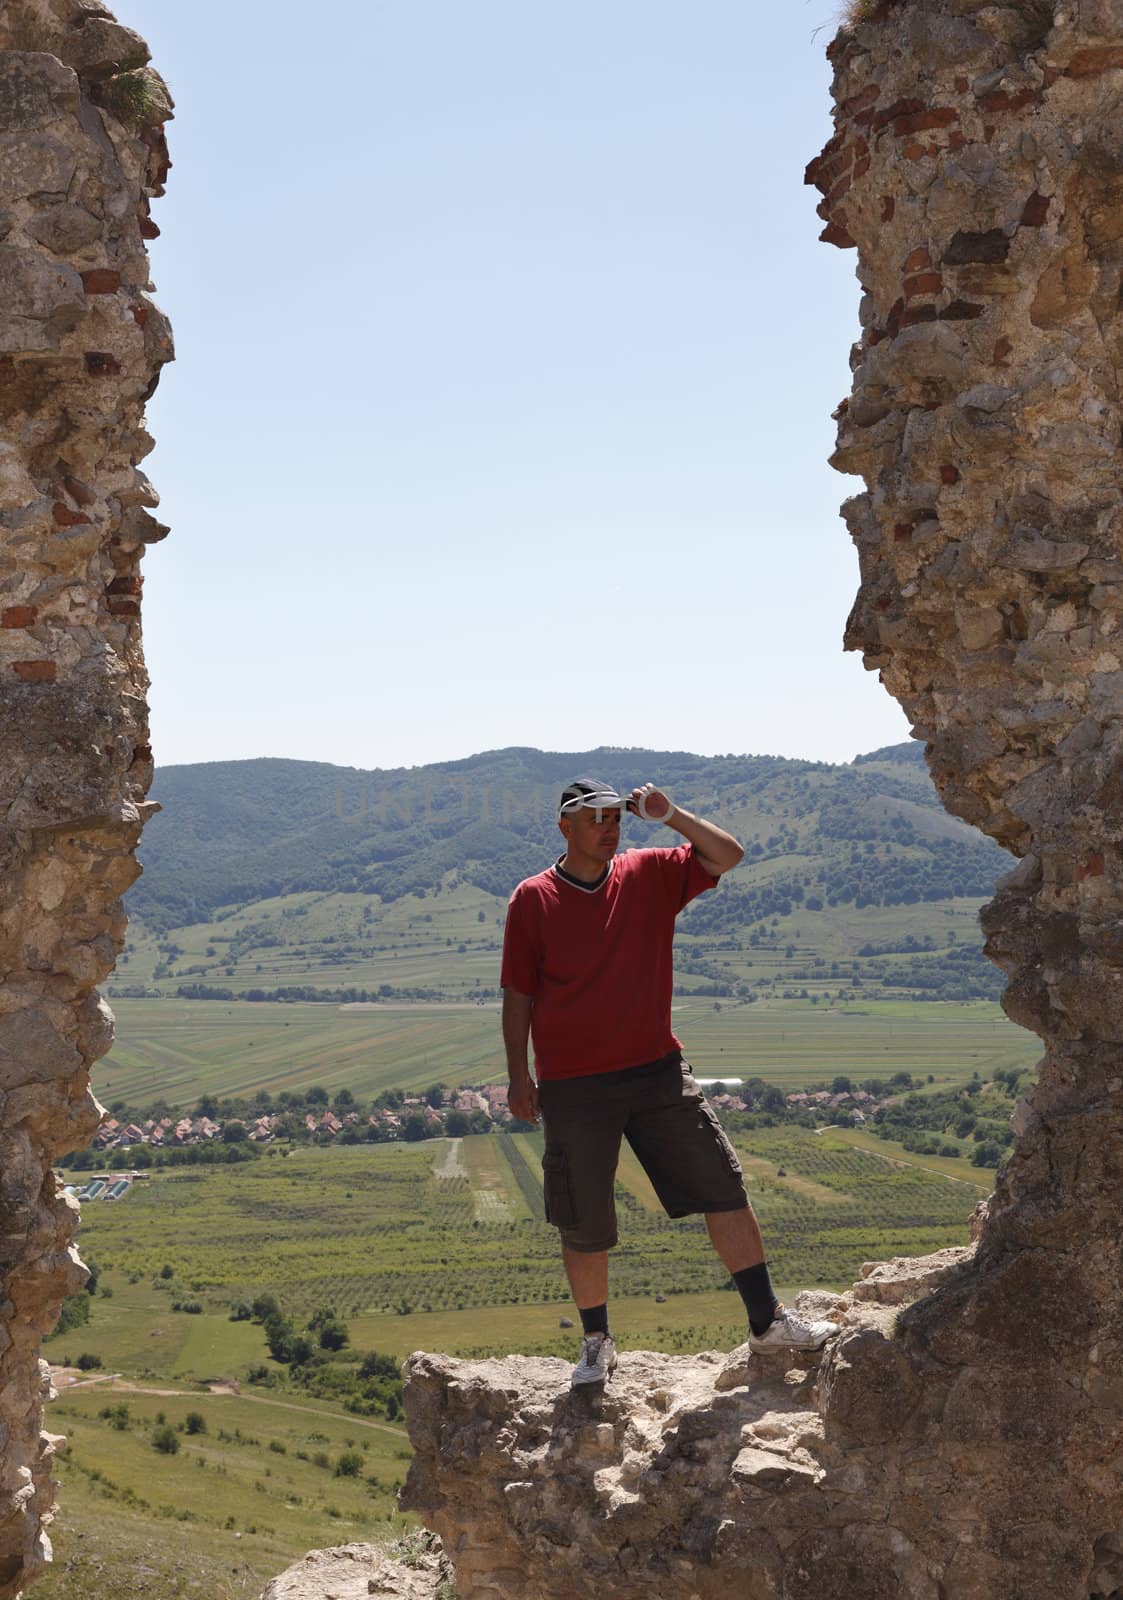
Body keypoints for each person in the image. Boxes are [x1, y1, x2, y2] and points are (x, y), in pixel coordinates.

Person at [501, 776, 839, 1388]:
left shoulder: (648, 872)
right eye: (596, 816)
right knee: (583, 1219)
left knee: (722, 1184)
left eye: (615, 815)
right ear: (565, 827)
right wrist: (518, 1075)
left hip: (656, 1069)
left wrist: (671, 814)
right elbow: (518, 992)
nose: (611, 825)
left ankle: (766, 1323)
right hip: (575, 1085)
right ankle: (597, 1342)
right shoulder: (533, 898)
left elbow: (727, 855)